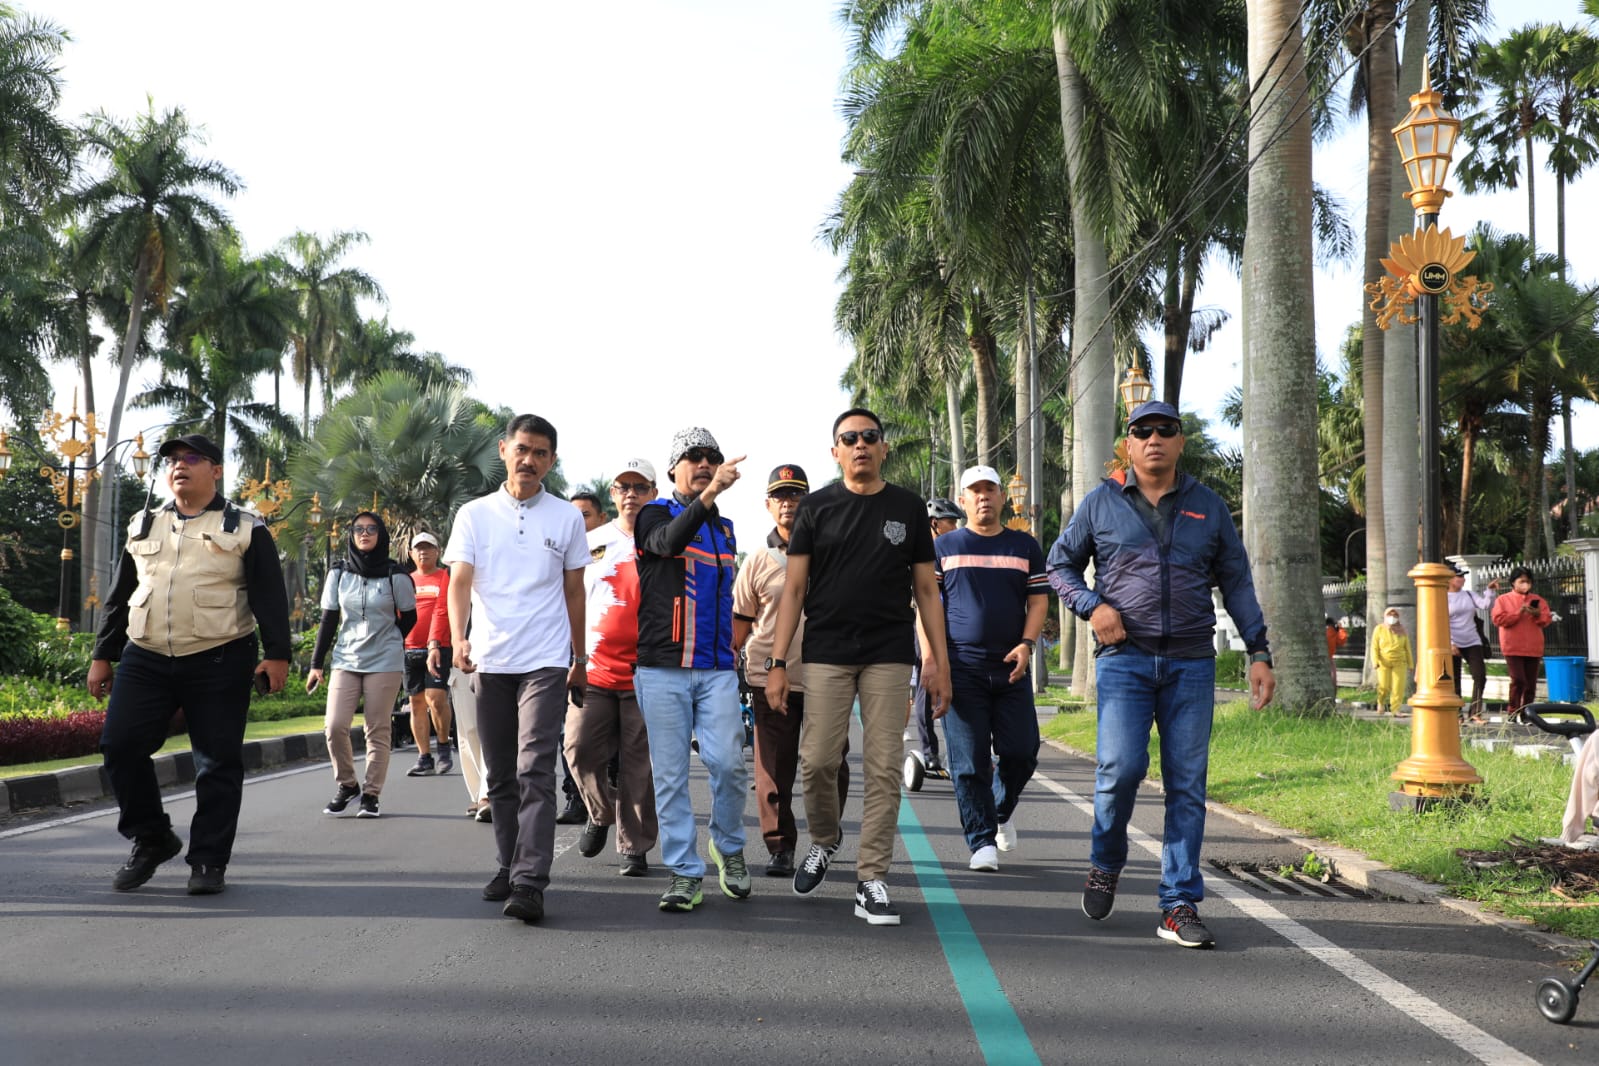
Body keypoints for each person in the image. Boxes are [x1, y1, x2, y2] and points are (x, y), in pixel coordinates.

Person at [1047, 400, 1274, 949]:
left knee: (1187, 786)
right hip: (1124, 661)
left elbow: (1238, 581)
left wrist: (1258, 652)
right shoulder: (1101, 503)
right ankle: (1106, 862)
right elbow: (1058, 565)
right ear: (1128, 444)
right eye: (1142, 431)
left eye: (1165, 430)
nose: (1154, 439)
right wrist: (1093, 606)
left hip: (1192, 663)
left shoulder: (1208, 507)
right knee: (1119, 770)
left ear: (1179, 442)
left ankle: (1178, 903)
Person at [767, 408, 951, 927]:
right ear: (836, 452)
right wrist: (778, 662)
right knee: (818, 760)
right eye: (849, 438)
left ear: (883, 447)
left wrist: (938, 661)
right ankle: (825, 839)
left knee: (885, 766)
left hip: (888, 653)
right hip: (825, 651)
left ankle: (872, 878)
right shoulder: (816, 508)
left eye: (870, 437)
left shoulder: (908, 508)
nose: (861, 445)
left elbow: (927, 591)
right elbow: (795, 591)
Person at [88, 433, 291, 895]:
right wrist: (103, 655)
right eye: (173, 460)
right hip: (147, 656)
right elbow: (120, 596)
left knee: (216, 762)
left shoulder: (245, 526)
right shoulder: (143, 524)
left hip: (220, 656)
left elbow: (269, 595)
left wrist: (277, 654)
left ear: (216, 470)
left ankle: (208, 861)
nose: (180, 465)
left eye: (192, 458)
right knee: (120, 745)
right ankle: (151, 837)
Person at [439, 414, 589, 925]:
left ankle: (529, 880)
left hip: (545, 661)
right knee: (500, 773)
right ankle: (507, 863)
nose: (529, 460)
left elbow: (573, 591)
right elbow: (460, 581)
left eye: (541, 453)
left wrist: (580, 657)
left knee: (534, 769)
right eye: (522, 449)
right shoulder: (474, 515)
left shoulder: (566, 517)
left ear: (551, 461)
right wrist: (459, 637)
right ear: (504, 450)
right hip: (490, 658)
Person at [633, 428, 749, 912]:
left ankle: (727, 846)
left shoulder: (725, 530)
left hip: (718, 668)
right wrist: (709, 495)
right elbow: (666, 544)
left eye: (712, 457)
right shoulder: (653, 513)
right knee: (672, 776)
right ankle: (684, 872)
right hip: (663, 667)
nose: (704, 463)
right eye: (693, 456)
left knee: (729, 765)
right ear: (673, 469)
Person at [733, 463, 848, 879]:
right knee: (773, 769)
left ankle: (827, 837)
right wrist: (733, 669)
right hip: (770, 676)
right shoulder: (757, 561)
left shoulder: (832, 551)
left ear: (809, 501)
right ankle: (780, 847)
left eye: (796, 494)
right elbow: (740, 623)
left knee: (830, 763)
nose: (788, 503)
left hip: (827, 674)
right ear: (767, 504)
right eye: (780, 496)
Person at [933, 466, 1048, 873]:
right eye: (974, 491)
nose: (983, 497)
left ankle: (999, 809)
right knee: (968, 761)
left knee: (1022, 751)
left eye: (990, 490)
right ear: (962, 500)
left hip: (1011, 667)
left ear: (1002, 498)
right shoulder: (944, 546)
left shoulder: (1024, 546)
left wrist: (1027, 643)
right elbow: (927, 606)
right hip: (961, 668)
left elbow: (1037, 601)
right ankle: (981, 841)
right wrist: (934, 661)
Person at [565, 458, 660, 877]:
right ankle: (599, 812)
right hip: (594, 669)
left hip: (648, 670)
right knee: (579, 747)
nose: (632, 495)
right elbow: (570, 599)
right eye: (624, 488)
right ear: (614, 495)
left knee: (639, 762)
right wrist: (572, 658)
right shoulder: (592, 541)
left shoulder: (664, 539)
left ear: (654, 493)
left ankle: (635, 847)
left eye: (640, 488)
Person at [308, 512, 417, 818]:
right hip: (346, 658)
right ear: (351, 535)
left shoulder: (396, 574)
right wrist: (316, 664)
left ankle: (371, 794)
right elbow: (329, 619)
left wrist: (391, 639)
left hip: (385, 659)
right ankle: (347, 785)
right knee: (334, 726)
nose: (364, 533)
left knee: (377, 728)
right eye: (358, 529)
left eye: (371, 529)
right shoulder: (339, 573)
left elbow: (409, 616)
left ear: (380, 534)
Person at [908, 497, 964, 781]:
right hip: (922, 626)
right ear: (934, 524)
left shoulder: (953, 552)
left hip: (951, 627)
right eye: (950, 522)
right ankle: (930, 754)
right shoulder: (921, 554)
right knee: (926, 684)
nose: (955, 527)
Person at [402, 530, 453, 776]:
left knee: (436, 697)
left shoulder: (446, 577)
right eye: (418, 548)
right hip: (410, 649)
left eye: (428, 548)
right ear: (411, 553)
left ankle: (443, 746)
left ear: (438, 552)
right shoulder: (406, 580)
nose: (423, 552)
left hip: (440, 646)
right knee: (416, 702)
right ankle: (424, 756)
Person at [1491, 566, 1553, 720]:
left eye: (1528, 581)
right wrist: (1519, 612)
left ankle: (1527, 713)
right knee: (1519, 679)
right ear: (1513, 583)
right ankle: (1513, 710)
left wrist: (1536, 613)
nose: (1525, 584)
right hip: (1512, 647)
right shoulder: (1503, 600)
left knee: (1530, 684)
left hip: (1533, 647)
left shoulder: (1537, 600)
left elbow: (1546, 619)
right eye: (1522, 581)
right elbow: (1499, 619)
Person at [1447, 566, 1499, 724]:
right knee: (1454, 679)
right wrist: (1450, 643)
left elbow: (1485, 605)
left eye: (1463, 576)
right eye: (1458, 576)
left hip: (1472, 640)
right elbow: (1440, 621)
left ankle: (1475, 712)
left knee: (1480, 676)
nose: (1462, 579)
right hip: (1453, 642)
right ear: (1449, 579)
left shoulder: (1468, 594)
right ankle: (1457, 713)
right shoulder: (1442, 597)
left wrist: (1489, 591)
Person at [1370, 608, 1413, 718]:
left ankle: (1396, 709)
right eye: (1390, 615)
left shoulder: (1402, 630)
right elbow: (1374, 647)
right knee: (1384, 686)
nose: (1392, 618)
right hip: (1384, 662)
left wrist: (1411, 664)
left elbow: (1407, 648)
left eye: (1395, 615)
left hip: (1400, 662)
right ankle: (1381, 702)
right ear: (1385, 616)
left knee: (1398, 687)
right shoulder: (1379, 629)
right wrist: (1375, 661)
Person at [1324, 616, 1347, 689]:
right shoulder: (1332, 631)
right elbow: (1341, 640)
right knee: (1332, 678)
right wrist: (1340, 628)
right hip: (1329, 657)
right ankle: (1333, 695)